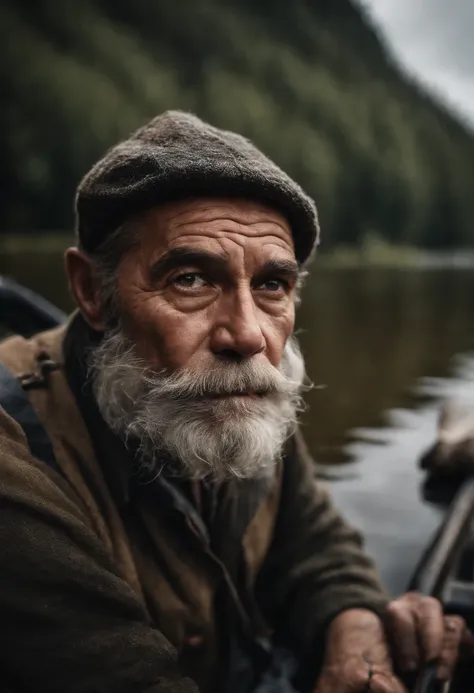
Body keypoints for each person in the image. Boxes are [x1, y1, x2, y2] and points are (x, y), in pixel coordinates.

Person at [0, 111, 469, 693]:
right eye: (191, 279)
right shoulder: (13, 459)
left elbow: (314, 544)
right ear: (92, 292)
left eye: (273, 284)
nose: (248, 336)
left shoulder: (239, 394)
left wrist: (354, 627)